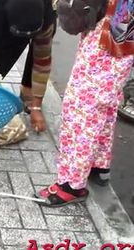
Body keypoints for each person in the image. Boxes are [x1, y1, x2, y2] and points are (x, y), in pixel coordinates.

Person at [35, 0, 134, 207]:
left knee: (82, 108)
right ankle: (98, 165)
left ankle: (72, 184)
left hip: (108, 32)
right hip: (122, 32)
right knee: (104, 103)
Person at [0, 0, 57, 133]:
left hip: (38, 16)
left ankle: (27, 90)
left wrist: (36, 107)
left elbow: (42, 61)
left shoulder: (46, 17)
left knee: (38, 46)